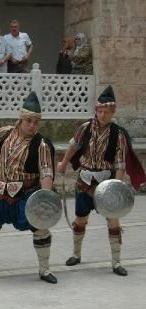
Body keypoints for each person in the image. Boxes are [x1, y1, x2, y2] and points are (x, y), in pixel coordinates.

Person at [0, 91, 58, 284]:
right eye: (28, 121)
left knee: (40, 228)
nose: (32, 125)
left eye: (36, 122)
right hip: (0, 192)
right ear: (21, 118)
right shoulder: (8, 132)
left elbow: (47, 172)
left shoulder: (41, 145)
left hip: (26, 194)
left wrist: (46, 197)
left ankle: (44, 269)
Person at [57, 86, 145, 276]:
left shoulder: (119, 134)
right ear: (96, 110)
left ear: (113, 112)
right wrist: (63, 163)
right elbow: (73, 147)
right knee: (80, 219)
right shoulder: (85, 128)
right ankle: (76, 254)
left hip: (106, 183)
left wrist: (115, 188)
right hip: (84, 180)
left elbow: (120, 164)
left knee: (113, 221)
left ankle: (116, 262)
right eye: (100, 111)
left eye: (106, 112)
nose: (102, 115)